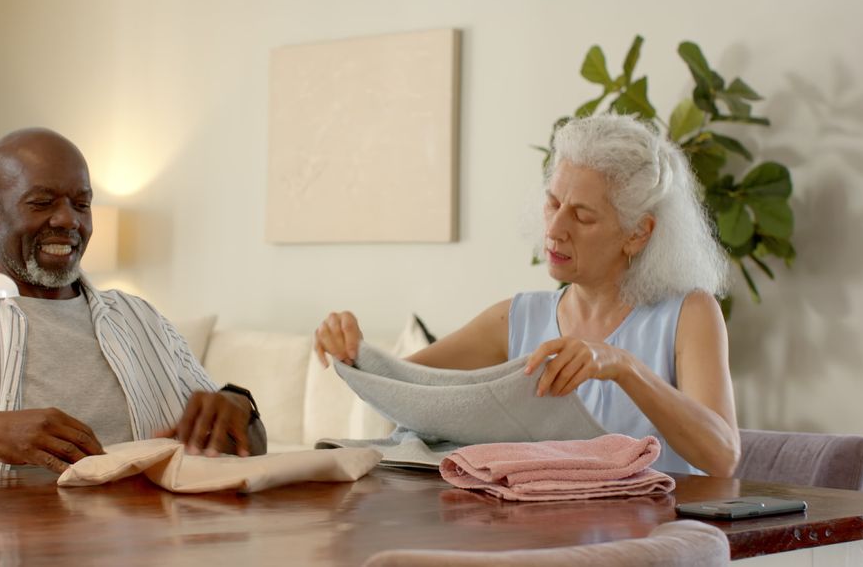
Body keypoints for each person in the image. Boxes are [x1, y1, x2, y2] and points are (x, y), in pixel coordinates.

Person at [314, 114, 739, 476]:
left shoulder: (689, 313)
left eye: (582, 216)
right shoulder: (514, 318)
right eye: (553, 204)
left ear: (637, 233)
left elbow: (723, 456)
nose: (554, 229)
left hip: (652, 544)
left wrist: (624, 367)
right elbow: (399, 391)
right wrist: (351, 348)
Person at [0, 127, 266, 473]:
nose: (68, 220)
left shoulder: (141, 319)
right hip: (1, 526)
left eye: (81, 204)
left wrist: (238, 404)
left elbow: (247, 448)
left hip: (145, 524)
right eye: (42, 203)